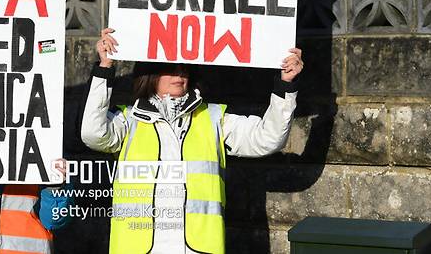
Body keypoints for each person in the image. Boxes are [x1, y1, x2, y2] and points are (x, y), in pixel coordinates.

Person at [81, 28, 303, 254]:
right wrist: (105, 68)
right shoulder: (128, 121)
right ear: (149, 73)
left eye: (184, 68)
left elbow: (268, 139)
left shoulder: (214, 118)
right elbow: (92, 133)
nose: (179, 74)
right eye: (170, 67)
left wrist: (286, 85)